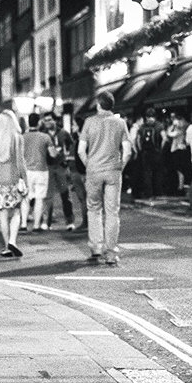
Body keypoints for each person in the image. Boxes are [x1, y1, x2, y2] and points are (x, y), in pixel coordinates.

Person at [78, 91, 132, 265]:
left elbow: (80, 150)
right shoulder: (120, 123)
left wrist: (90, 165)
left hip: (94, 170)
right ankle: (111, 252)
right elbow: (128, 151)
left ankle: (96, 248)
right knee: (112, 212)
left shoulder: (88, 122)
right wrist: (119, 167)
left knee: (93, 209)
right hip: (113, 171)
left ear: (98, 105)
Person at [0, 110, 28, 259]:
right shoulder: (17, 138)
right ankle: (12, 241)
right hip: (12, 179)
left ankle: (6, 248)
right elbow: (20, 162)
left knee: (2, 215)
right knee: (16, 212)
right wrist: (26, 181)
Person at [20, 113, 55, 232]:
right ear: (39, 122)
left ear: (28, 122)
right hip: (41, 171)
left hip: (26, 172)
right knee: (39, 199)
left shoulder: (22, 137)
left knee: (25, 198)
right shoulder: (45, 137)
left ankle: (23, 225)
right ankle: (36, 226)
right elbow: (53, 154)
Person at [41, 112, 75, 231]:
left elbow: (72, 145)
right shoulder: (43, 134)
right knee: (48, 196)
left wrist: (67, 159)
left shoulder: (63, 133)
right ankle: (47, 222)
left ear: (55, 120)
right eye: (45, 120)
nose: (48, 122)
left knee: (65, 195)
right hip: (48, 167)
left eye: (50, 119)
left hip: (61, 167)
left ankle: (69, 221)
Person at [134, 107, 166, 198]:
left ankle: (148, 193)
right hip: (156, 152)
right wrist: (160, 149)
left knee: (147, 173)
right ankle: (158, 192)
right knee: (158, 173)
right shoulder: (159, 125)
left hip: (146, 153)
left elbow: (138, 139)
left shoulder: (143, 126)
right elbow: (164, 138)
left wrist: (140, 149)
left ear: (146, 117)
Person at [68, 117, 88, 231]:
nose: (72, 127)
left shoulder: (81, 140)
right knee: (87, 199)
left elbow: (79, 155)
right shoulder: (86, 139)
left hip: (80, 172)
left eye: (74, 125)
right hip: (83, 172)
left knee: (83, 199)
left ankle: (86, 223)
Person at [166, 113, 190, 195]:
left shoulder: (179, 132)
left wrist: (172, 126)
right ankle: (180, 187)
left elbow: (169, 133)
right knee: (180, 170)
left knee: (179, 170)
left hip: (177, 151)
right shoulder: (182, 131)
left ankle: (180, 187)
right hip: (180, 150)